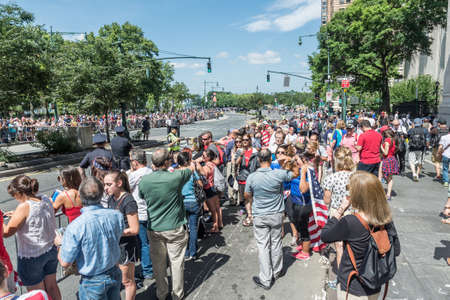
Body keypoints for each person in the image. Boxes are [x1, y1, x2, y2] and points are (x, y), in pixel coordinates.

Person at [321, 171, 401, 300]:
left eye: (350, 190)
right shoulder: (386, 218)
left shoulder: (351, 222)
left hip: (352, 287)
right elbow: (396, 250)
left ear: (358, 195)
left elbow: (325, 235)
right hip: (375, 284)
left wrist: (340, 209)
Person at [57, 176, 124, 300]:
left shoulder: (76, 226)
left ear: (81, 197)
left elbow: (65, 262)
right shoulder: (116, 216)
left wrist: (60, 244)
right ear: (102, 194)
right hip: (114, 272)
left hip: (93, 280)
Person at [138, 148, 192, 300]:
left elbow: (142, 196)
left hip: (155, 227)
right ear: (168, 161)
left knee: (158, 264)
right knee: (176, 263)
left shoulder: (145, 181)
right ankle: (177, 294)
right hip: (174, 226)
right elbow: (189, 168)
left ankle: (161, 293)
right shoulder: (176, 176)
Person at [244, 149, 299, 290]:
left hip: (260, 215)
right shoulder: (278, 174)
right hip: (276, 214)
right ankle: (277, 270)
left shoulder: (252, 176)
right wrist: (289, 159)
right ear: (271, 158)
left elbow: (246, 195)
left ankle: (266, 278)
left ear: (258, 160)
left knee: (263, 246)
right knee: (276, 242)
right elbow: (296, 173)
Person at [3, 176, 61, 300]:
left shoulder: (23, 207)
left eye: (15, 196)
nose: (15, 199)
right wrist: (17, 215)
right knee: (52, 287)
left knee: (38, 294)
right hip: (50, 250)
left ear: (19, 193)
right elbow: (36, 214)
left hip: (32, 257)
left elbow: (7, 232)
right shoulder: (44, 198)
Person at [104, 171, 139, 300]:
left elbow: (135, 229)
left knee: (126, 281)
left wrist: (115, 232)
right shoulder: (111, 198)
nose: (105, 188)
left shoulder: (128, 201)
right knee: (116, 280)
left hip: (126, 246)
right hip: (115, 245)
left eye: (109, 184)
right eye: (104, 184)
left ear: (119, 183)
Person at [323, 146, 354, 269]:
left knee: (339, 246)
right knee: (351, 245)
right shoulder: (355, 176)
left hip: (337, 212)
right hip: (353, 212)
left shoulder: (331, 178)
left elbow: (327, 200)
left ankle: (341, 277)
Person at [127, 150, 154, 281]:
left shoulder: (135, 175)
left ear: (135, 162)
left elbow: (127, 189)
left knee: (144, 243)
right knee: (151, 241)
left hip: (141, 212)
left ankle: (147, 270)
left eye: (131, 161)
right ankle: (155, 265)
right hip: (152, 212)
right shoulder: (150, 171)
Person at [177, 151, 201, 260]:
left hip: (181, 202)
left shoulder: (176, 173)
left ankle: (185, 252)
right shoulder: (191, 172)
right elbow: (201, 184)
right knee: (193, 227)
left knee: (183, 229)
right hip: (193, 201)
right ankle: (193, 252)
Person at [195, 149, 223, 233]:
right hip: (214, 187)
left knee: (213, 210)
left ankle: (215, 227)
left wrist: (198, 165)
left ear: (209, 157)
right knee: (218, 207)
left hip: (208, 189)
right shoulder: (212, 164)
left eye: (204, 156)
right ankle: (220, 223)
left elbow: (204, 177)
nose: (202, 157)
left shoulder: (206, 167)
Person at [235, 133, 260, 225]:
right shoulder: (239, 151)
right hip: (243, 177)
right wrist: (241, 155)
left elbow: (258, 165)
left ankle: (253, 214)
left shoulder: (255, 152)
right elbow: (236, 163)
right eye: (243, 140)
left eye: (246, 140)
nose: (244, 142)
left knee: (252, 197)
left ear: (250, 141)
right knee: (246, 198)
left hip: (252, 177)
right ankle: (249, 215)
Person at [380, 129, 400, 200]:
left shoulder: (387, 140)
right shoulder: (395, 140)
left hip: (386, 159)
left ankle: (379, 193)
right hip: (393, 159)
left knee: (381, 176)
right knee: (390, 178)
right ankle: (388, 194)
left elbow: (385, 153)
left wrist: (381, 146)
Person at [432, 119, 449, 184]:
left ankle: (438, 175)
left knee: (437, 161)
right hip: (447, 149)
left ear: (439, 124)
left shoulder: (435, 130)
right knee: (447, 163)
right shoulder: (448, 130)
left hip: (437, 147)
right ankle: (445, 176)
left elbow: (430, 133)